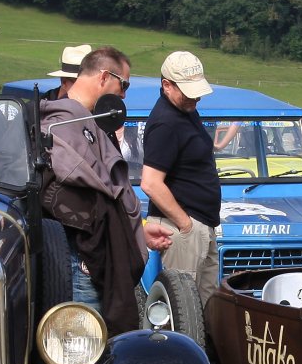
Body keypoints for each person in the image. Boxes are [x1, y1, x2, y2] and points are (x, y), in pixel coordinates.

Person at [40, 46, 170, 330]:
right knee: (88, 341)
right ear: (103, 76)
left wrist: (137, 229)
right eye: (123, 85)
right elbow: (97, 191)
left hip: (95, 257)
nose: (123, 95)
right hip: (84, 261)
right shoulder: (63, 123)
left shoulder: (89, 122)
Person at [140, 51, 221, 306]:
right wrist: (185, 225)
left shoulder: (184, 110)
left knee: (206, 305)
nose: (195, 97)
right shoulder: (166, 122)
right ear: (167, 85)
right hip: (184, 225)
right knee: (185, 308)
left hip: (200, 223)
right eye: (188, 91)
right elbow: (150, 182)